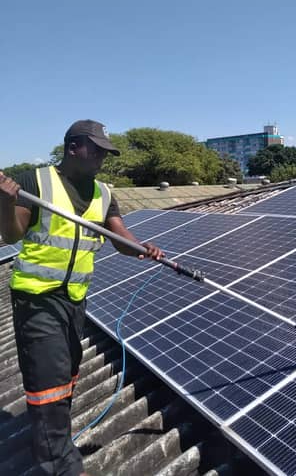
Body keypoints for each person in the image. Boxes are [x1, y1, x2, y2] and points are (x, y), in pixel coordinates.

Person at [0, 120, 164, 476]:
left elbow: (119, 237)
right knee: (48, 383)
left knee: (68, 377)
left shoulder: (104, 193)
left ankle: (53, 443)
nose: (103, 157)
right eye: (98, 149)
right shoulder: (35, 182)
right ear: (74, 147)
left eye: (107, 151)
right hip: (36, 298)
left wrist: (141, 248)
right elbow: (12, 232)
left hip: (75, 299)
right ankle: (61, 467)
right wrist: (6, 203)